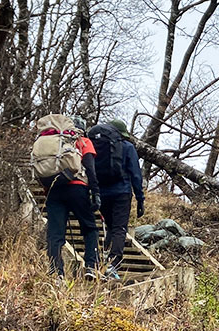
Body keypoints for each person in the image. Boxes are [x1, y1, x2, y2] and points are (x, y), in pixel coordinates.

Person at [37, 116, 101, 278]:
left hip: (54, 190)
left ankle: (56, 271)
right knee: (89, 227)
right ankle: (91, 266)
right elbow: (90, 169)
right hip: (78, 188)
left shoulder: (53, 140)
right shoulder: (83, 141)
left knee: (55, 232)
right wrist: (96, 192)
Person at [95, 118, 145, 278]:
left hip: (102, 193)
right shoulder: (128, 147)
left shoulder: (99, 146)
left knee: (111, 227)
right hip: (122, 193)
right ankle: (113, 264)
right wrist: (140, 198)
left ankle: (103, 260)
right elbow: (136, 175)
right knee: (118, 228)